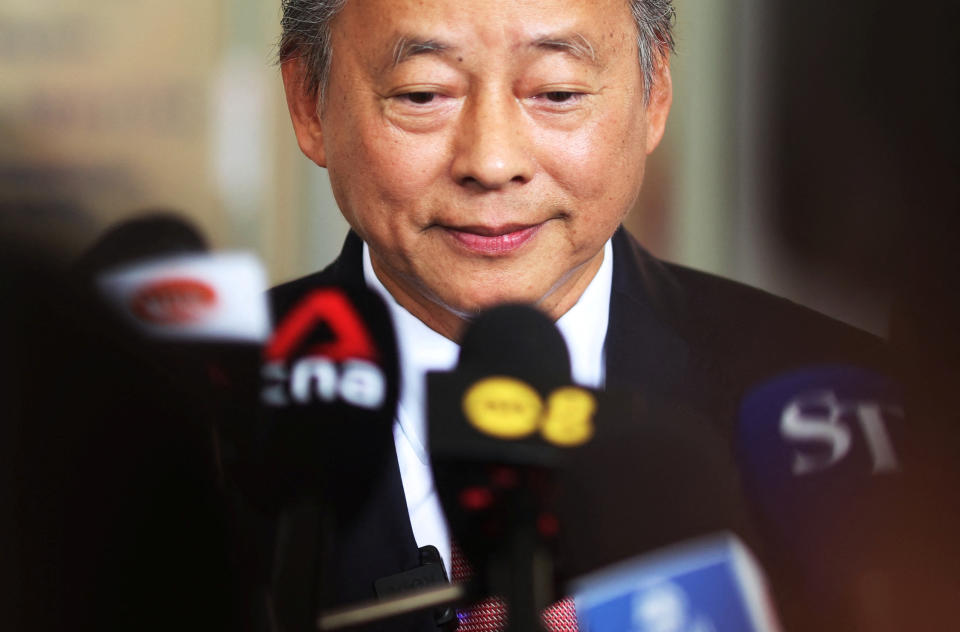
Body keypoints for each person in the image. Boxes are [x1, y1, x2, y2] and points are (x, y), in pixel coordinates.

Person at [272, 1, 886, 630]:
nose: (491, 162)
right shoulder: (188, 411)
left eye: (557, 92)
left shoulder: (860, 414)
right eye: (424, 94)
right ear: (308, 101)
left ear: (655, 95)